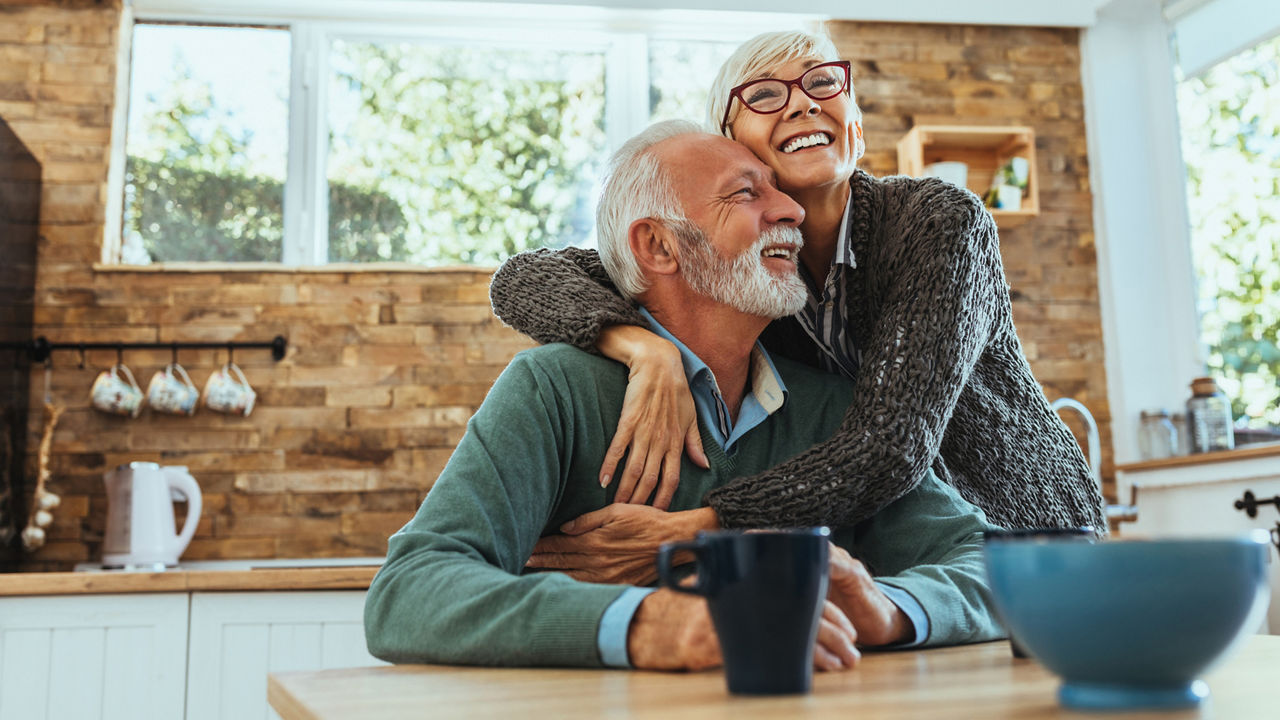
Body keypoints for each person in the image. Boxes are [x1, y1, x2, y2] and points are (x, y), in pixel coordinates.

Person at [364, 121, 1004, 671]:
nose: (791, 211)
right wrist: (651, 623)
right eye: (747, 194)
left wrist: (888, 609)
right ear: (658, 245)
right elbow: (410, 591)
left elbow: (990, 566)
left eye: (778, 191)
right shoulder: (554, 389)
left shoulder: (833, 409)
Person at [489, 31, 1104, 575]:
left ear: (854, 122)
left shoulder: (938, 222)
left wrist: (697, 529)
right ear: (731, 144)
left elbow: (891, 446)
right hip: (887, 555)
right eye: (764, 95)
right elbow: (524, 277)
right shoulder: (739, 267)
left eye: (821, 82)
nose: (804, 101)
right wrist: (641, 347)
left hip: (1022, 535)